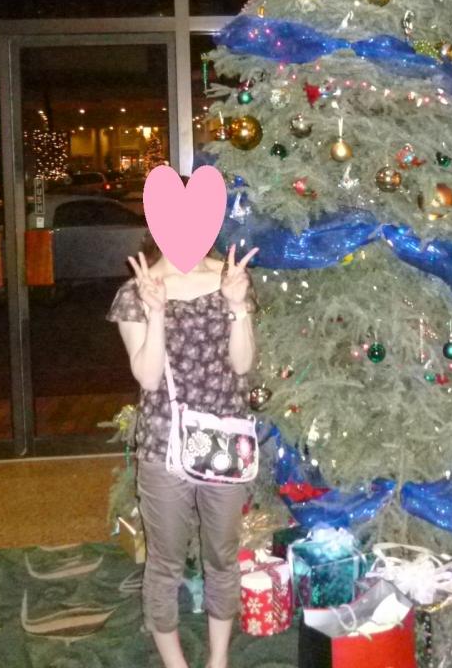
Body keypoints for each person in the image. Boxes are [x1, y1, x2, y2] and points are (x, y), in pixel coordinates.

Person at [109, 234, 259, 668]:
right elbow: (148, 377)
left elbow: (243, 364)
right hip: (164, 443)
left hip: (225, 441)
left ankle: (218, 658)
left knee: (222, 555)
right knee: (165, 561)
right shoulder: (137, 290)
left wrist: (237, 305)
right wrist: (155, 313)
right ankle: (176, 663)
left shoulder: (231, 278)